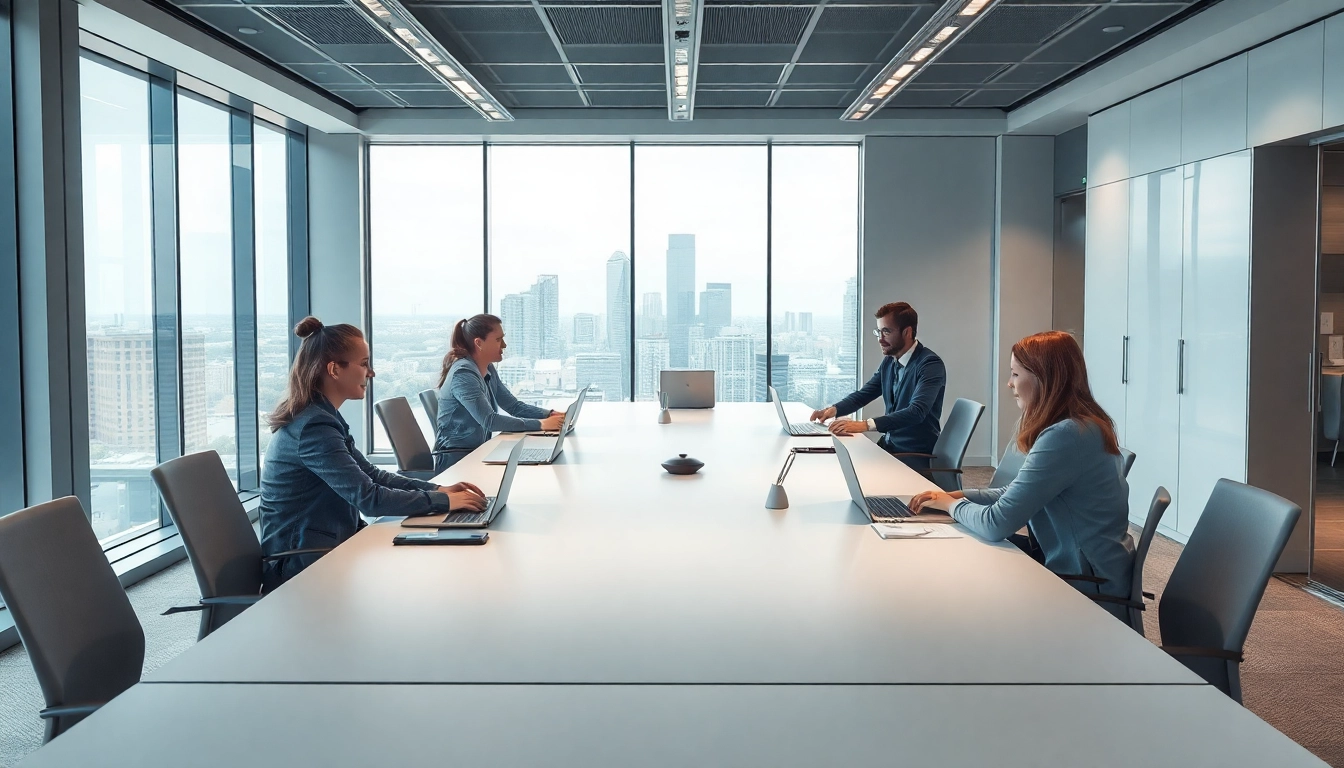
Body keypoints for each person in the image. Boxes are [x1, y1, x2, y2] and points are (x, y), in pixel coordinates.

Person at [259, 317, 487, 591]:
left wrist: (440, 489)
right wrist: (443, 502)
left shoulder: (323, 418)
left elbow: (371, 475)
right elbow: (368, 498)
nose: (371, 373)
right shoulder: (313, 428)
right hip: (301, 564)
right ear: (334, 369)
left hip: (329, 545)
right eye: (364, 363)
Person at [909, 330, 1135, 606]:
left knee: (959, 580)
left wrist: (950, 507)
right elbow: (1016, 491)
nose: (1009, 383)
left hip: (1087, 586)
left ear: (1043, 377)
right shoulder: (1079, 425)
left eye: (1015, 374)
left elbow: (996, 524)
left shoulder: (1067, 435)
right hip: (1077, 567)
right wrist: (960, 496)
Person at [810, 302, 946, 469]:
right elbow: (865, 394)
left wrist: (864, 425)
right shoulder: (890, 361)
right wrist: (833, 410)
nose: (880, 339)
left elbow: (916, 412)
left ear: (907, 332)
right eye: (879, 332)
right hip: (889, 447)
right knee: (838, 460)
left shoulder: (929, 364)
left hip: (913, 454)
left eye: (886, 332)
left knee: (851, 468)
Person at [433, 314, 565, 472]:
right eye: (498, 340)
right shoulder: (463, 374)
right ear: (479, 343)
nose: (504, 345)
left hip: (478, 453)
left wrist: (549, 415)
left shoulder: (487, 367)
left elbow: (513, 406)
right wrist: (541, 425)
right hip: (456, 463)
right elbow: (489, 420)